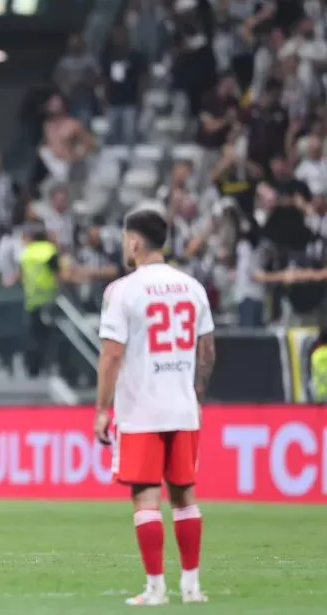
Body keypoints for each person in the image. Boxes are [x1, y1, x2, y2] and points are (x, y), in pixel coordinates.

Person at [95, 209, 216, 605]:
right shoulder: (193, 287)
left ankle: (155, 589)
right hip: (183, 410)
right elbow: (208, 350)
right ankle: (192, 587)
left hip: (142, 412)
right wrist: (195, 393)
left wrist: (101, 409)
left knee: (146, 497)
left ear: (133, 241)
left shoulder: (123, 291)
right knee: (185, 496)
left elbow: (112, 355)